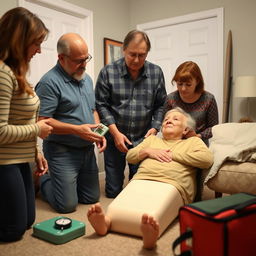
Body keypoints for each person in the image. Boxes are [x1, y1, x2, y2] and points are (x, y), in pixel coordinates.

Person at [87, 107, 213, 249]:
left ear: (185, 130)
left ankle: (150, 234)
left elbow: (207, 159)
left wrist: (173, 155)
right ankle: (106, 223)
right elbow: (130, 156)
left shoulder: (193, 142)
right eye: (166, 119)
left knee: (154, 212)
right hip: (141, 179)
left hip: (173, 184)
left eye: (175, 119)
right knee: (119, 207)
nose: (168, 121)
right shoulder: (152, 140)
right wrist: (147, 151)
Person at [35, 33, 106, 213]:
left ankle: (65, 185)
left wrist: (98, 133)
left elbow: (93, 110)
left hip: (86, 150)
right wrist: (77, 130)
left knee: (91, 198)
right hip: (62, 151)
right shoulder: (49, 82)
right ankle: (42, 181)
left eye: (86, 59)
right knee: (67, 206)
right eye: (78, 61)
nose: (84, 65)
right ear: (61, 58)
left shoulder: (87, 79)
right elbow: (43, 121)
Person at [0, 7, 52, 242]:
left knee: (28, 220)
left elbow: (23, 119)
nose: (39, 50)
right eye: (35, 43)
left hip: (21, 158)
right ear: (18, 41)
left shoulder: (18, 73)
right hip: (4, 161)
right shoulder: (2, 74)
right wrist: (38, 130)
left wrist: (37, 152)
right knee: (13, 231)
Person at [95, 29, 167, 198]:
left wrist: (155, 128)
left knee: (139, 190)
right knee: (113, 191)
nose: (136, 60)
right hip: (115, 138)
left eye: (141, 55)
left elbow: (161, 104)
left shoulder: (156, 73)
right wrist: (115, 133)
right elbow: (101, 105)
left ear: (147, 53)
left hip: (143, 139)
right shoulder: (108, 72)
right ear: (124, 50)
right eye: (132, 54)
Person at [165, 61, 219, 146]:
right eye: (179, 84)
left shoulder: (209, 99)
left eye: (188, 85)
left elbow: (214, 128)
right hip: (174, 144)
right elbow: (164, 123)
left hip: (199, 145)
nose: (183, 88)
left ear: (197, 81)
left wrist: (198, 136)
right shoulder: (170, 99)